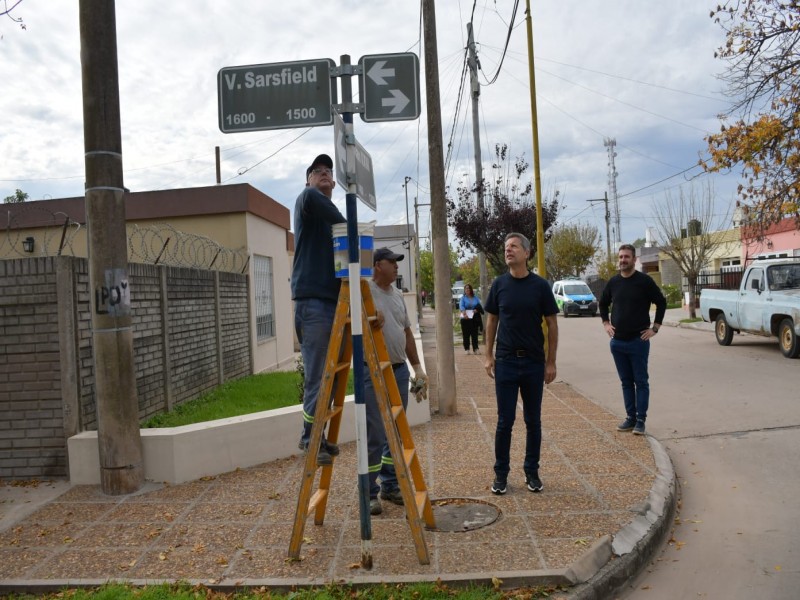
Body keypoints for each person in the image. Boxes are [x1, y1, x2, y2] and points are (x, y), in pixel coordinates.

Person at [484, 233, 558, 496]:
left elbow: (551, 323)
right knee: (505, 421)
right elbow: (491, 320)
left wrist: (551, 362)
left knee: (533, 421)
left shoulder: (540, 286)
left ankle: (532, 472)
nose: (508, 250)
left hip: (533, 363)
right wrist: (488, 355)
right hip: (505, 361)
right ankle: (501, 475)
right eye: (506, 247)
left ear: (527, 253)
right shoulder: (499, 285)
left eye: (514, 246)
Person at [291, 153, 346, 465]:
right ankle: (310, 436)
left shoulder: (328, 224)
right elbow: (342, 222)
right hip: (313, 303)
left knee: (331, 375)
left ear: (334, 182)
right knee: (317, 375)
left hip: (331, 303)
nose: (323, 174)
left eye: (328, 171)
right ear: (308, 180)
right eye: (317, 171)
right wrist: (357, 230)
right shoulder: (308, 199)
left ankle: (318, 434)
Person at [364, 247, 428, 515]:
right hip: (374, 371)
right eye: (393, 262)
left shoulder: (399, 296)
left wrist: (418, 369)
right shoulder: (364, 292)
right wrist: (368, 319)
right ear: (378, 265)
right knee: (376, 434)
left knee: (396, 432)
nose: (397, 267)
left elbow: (407, 333)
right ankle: (368, 493)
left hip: (400, 371)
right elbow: (350, 327)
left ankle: (390, 484)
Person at [599, 244, 667, 436]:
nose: (623, 260)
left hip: (638, 341)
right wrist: (606, 323)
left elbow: (661, 302)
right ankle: (630, 418)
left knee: (641, 382)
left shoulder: (644, 281)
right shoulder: (613, 283)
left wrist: (655, 328)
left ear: (634, 259)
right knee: (626, 382)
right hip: (618, 343)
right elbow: (603, 303)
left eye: (626, 257)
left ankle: (640, 420)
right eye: (620, 257)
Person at [459, 283, 482, 354]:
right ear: (464, 290)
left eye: (469, 288)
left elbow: (480, 305)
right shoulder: (463, 298)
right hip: (465, 318)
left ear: (471, 289)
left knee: (474, 334)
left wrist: (477, 310)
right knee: (466, 334)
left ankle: (476, 348)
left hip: (474, 318)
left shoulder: (476, 298)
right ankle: (467, 349)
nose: (467, 289)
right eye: (466, 288)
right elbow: (461, 306)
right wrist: (464, 312)